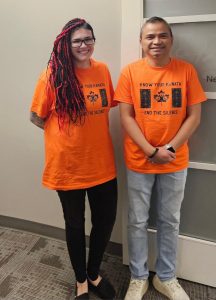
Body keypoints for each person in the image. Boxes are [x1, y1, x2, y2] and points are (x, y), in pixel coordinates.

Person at [114, 16, 207, 300]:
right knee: (137, 220)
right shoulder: (130, 72)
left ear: (171, 39)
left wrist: (170, 149)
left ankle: (166, 277)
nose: (156, 41)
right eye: (149, 37)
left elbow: (194, 116)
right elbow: (126, 117)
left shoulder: (186, 71)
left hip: (175, 161)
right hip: (140, 159)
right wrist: (152, 151)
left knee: (170, 220)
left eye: (162, 35)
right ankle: (139, 277)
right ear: (141, 42)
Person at [30, 18, 117, 300]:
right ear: (66, 44)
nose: (84, 45)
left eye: (88, 39)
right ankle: (80, 279)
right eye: (77, 40)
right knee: (75, 224)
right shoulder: (53, 75)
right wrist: (63, 137)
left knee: (105, 220)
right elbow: (35, 116)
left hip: (101, 162)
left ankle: (93, 272)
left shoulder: (102, 70)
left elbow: (106, 108)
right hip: (67, 165)